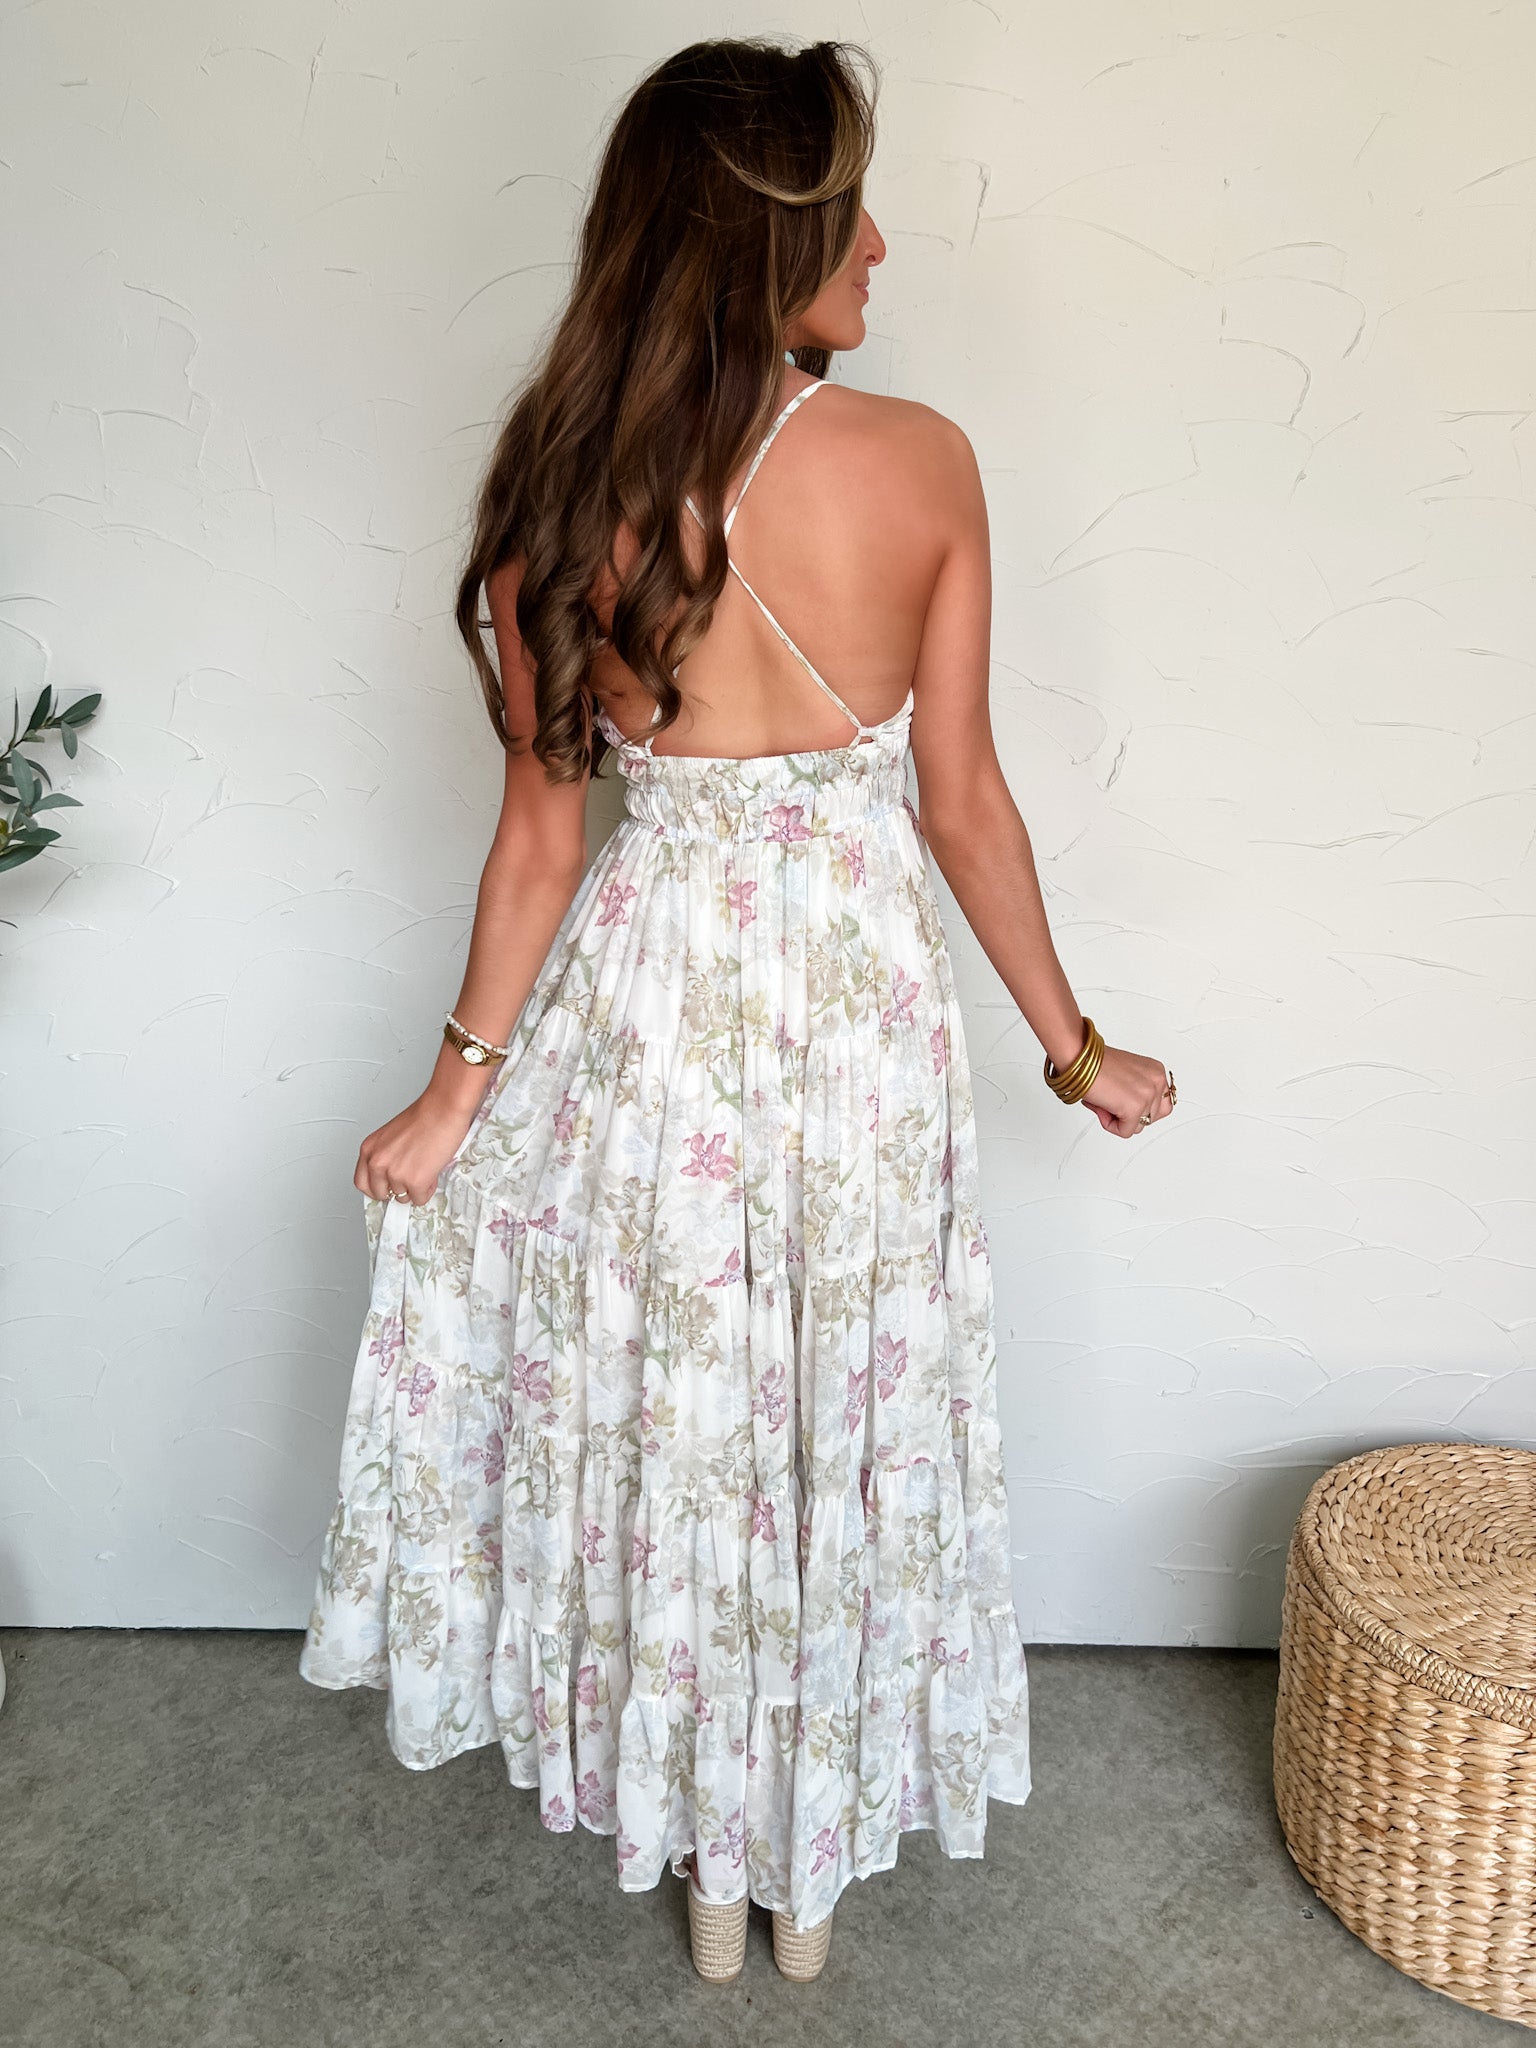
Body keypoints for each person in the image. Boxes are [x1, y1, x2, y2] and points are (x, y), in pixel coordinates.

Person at [298, 35, 1175, 1986]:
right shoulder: (923, 464)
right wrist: (1074, 1049)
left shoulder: (563, 495)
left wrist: (454, 1097)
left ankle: (706, 1855)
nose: (882, 244)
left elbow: (541, 844)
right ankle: (807, 1881)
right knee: (842, 1410)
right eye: (850, 208)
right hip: (861, 1026)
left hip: (657, 1023)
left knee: (691, 1415)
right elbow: (964, 802)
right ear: (760, 240)